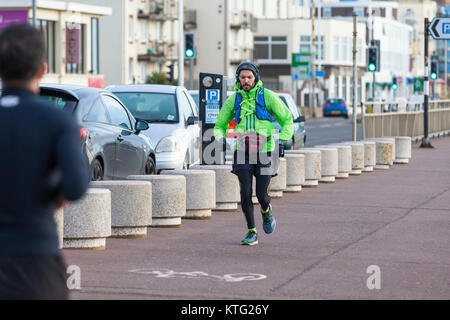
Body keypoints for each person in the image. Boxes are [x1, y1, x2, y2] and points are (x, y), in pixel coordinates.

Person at [0, 23, 89, 299]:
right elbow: (76, 185)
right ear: (42, 69)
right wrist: (55, 192)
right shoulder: (56, 119)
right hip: (35, 257)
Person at [214, 62, 293, 246]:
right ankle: (251, 231)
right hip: (242, 150)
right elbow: (219, 125)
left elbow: (287, 120)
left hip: (265, 151)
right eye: (243, 77)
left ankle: (266, 212)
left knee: (262, 195)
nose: (246, 81)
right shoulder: (233, 100)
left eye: (249, 77)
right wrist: (222, 139)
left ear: (256, 77)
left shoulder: (267, 96)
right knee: (245, 192)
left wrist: (282, 139)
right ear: (238, 79)